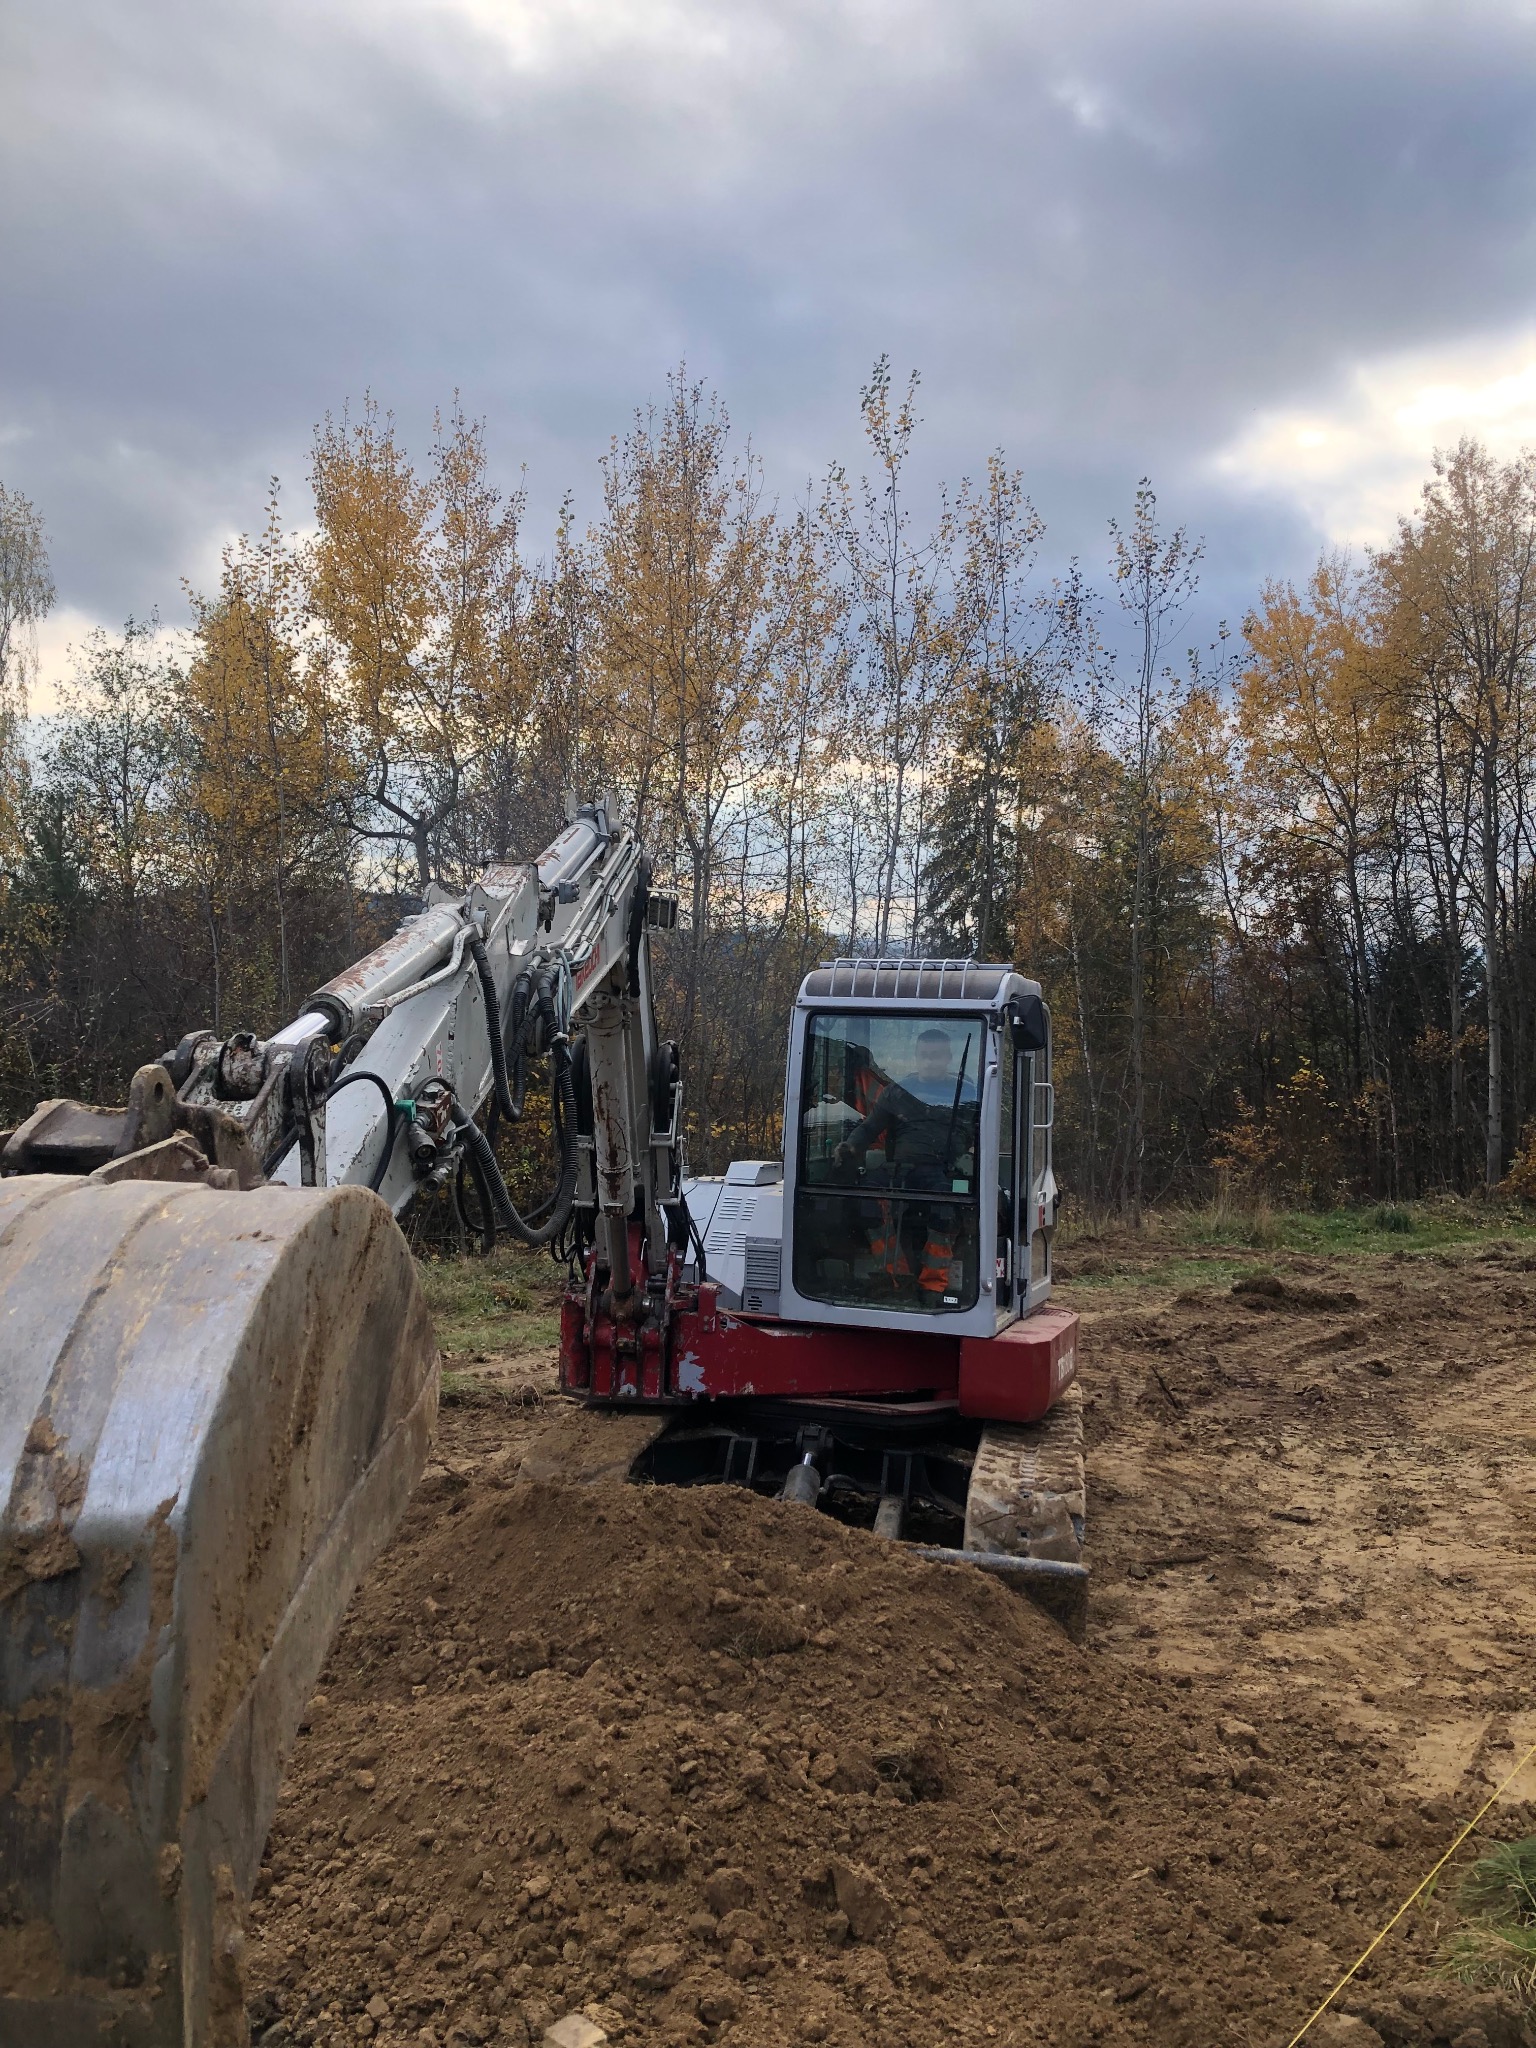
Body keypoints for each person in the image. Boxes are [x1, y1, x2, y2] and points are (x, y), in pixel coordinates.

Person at [833, 1027, 977, 1304]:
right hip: (899, 1171)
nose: (930, 1061)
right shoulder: (897, 1093)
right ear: (916, 1057)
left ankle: (933, 1287)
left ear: (948, 1057)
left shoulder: (966, 1092)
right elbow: (870, 1127)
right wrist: (849, 1146)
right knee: (868, 1201)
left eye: (936, 1056)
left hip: (945, 1171)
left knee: (946, 1210)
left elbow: (983, 1130)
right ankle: (896, 1280)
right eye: (924, 1056)